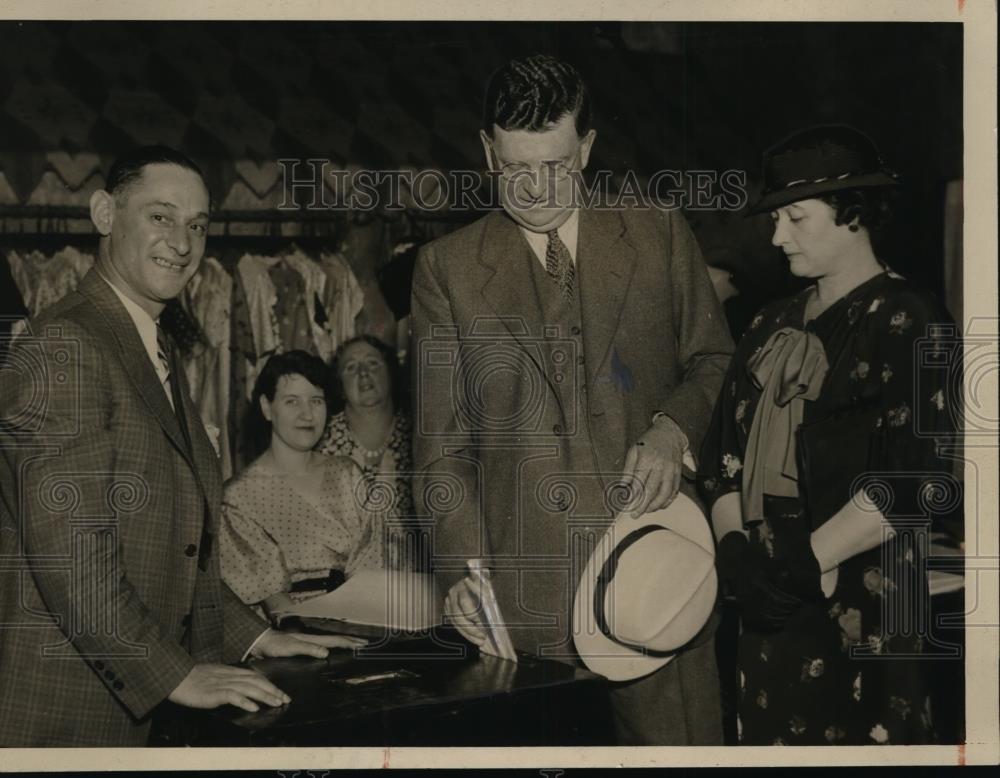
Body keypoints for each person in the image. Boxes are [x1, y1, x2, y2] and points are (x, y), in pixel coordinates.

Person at [411, 54, 734, 745]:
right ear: (486, 150)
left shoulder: (658, 232)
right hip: (527, 612)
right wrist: (464, 574)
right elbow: (442, 449)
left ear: (587, 147)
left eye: (555, 166)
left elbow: (713, 358)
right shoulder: (445, 269)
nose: (532, 188)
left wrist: (673, 429)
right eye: (513, 167)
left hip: (658, 581)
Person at [0, 146, 361, 747]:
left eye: (197, 225)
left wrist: (253, 636)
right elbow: (72, 553)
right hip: (65, 713)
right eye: (160, 216)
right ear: (104, 214)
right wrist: (178, 672)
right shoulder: (66, 344)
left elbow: (171, 550)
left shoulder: (148, 345)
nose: (183, 242)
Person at [698, 125, 958, 745]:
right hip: (764, 606)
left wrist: (796, 565)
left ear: (853, 215)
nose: (777, 235)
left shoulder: (908, 318)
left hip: (862, 609)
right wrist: (735, 551)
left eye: (795, 217)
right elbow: (721, 457)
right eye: (776, 218)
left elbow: (910, 481)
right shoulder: (768, 321)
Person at [220, 350, 387, 623]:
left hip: (362, 620)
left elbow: (373, 561)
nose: (307, 414)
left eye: (316, 401)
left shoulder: (347, 474)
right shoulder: (240, 495)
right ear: (266, 407)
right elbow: (272, 597)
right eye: (291, 401)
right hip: (290, 633)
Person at [317, 335, 416, 565]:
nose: (363, 373)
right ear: (340, 387)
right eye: (351, 367)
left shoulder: (418, 435)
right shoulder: (320, 442)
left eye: (373, 363)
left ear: (390, 372)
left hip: (417, 581)